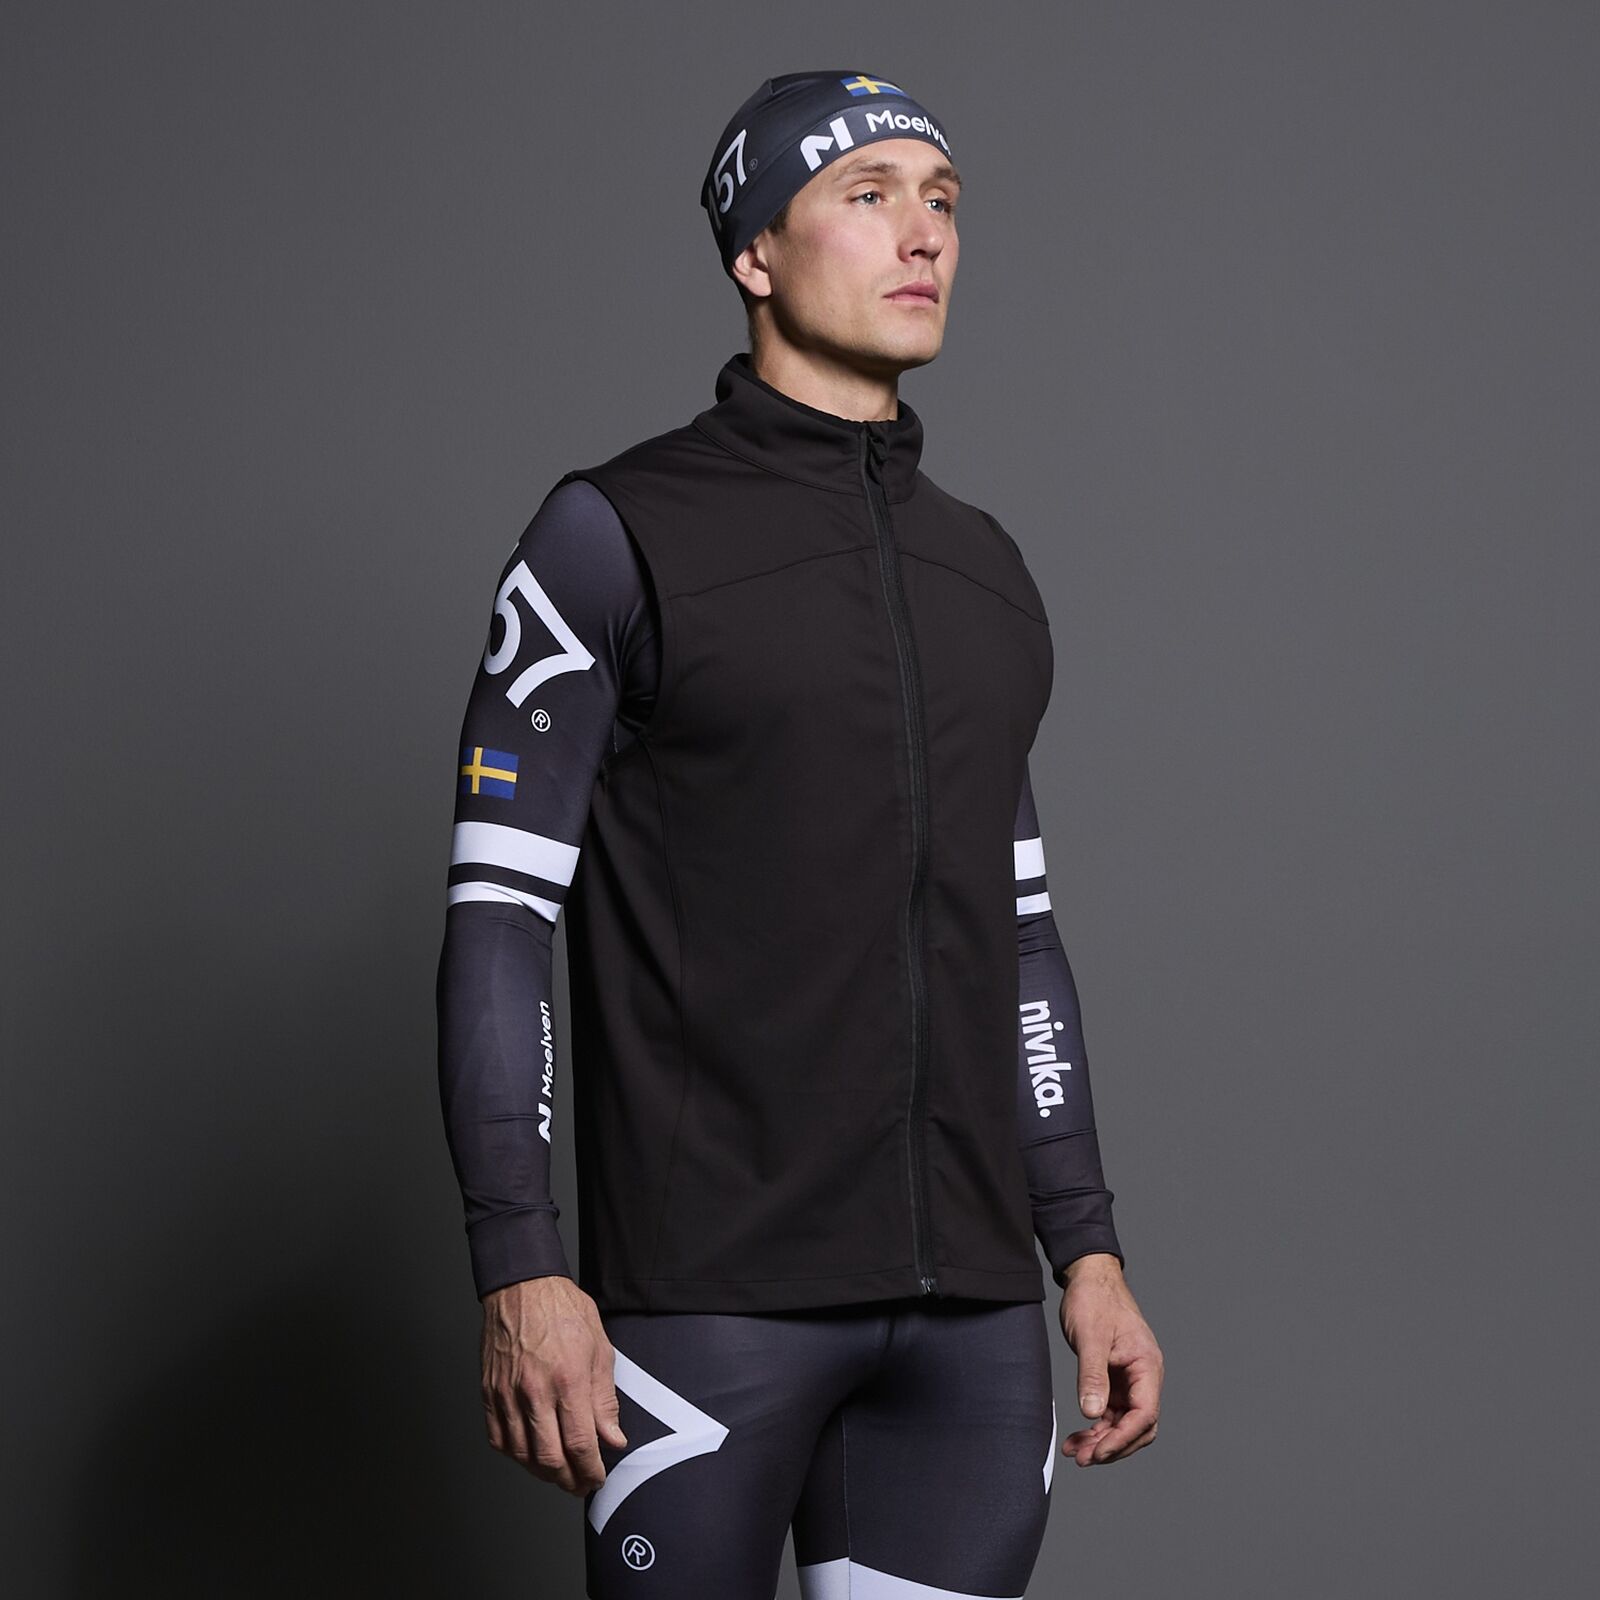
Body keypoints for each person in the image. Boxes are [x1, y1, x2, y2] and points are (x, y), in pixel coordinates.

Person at [436, 69, 1164, 1599]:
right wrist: (521, 1260)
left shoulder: (986, 576)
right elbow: (501, 922)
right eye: (869, 194)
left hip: (968, 1327)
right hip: (710, 1307)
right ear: (754, 250)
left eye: (943, 201)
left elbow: (1020, 942)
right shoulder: (614, 535)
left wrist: (1086, 1254)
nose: (925, 234)